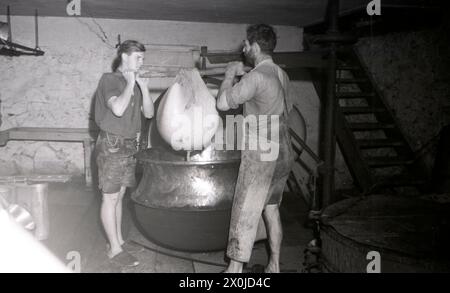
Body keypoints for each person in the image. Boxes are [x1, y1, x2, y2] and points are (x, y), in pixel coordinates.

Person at [217, 24, 294, 273]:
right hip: (283, 151)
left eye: (247, 44)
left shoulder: (256, 77)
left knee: (245, 211)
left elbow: (222, 104)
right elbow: (286, 109)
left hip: (262, 155)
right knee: (271, 209)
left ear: (256, 47)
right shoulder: (282, 74)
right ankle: (274, 265)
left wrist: (229, 75)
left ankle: (235, 271)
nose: (244, 48)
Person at [94, 40, 154, 267]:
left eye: (143, 58)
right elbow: (117, 109)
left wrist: (144, 87)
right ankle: (114, 250)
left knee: (119, 196)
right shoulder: (109, 80)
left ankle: (117, 240)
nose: (141, 62)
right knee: (109, 197)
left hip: (129, 144)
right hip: (112, 144)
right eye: (138, 58)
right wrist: (130, 83)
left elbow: (148, 113)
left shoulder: (135, 84)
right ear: (124, 57)